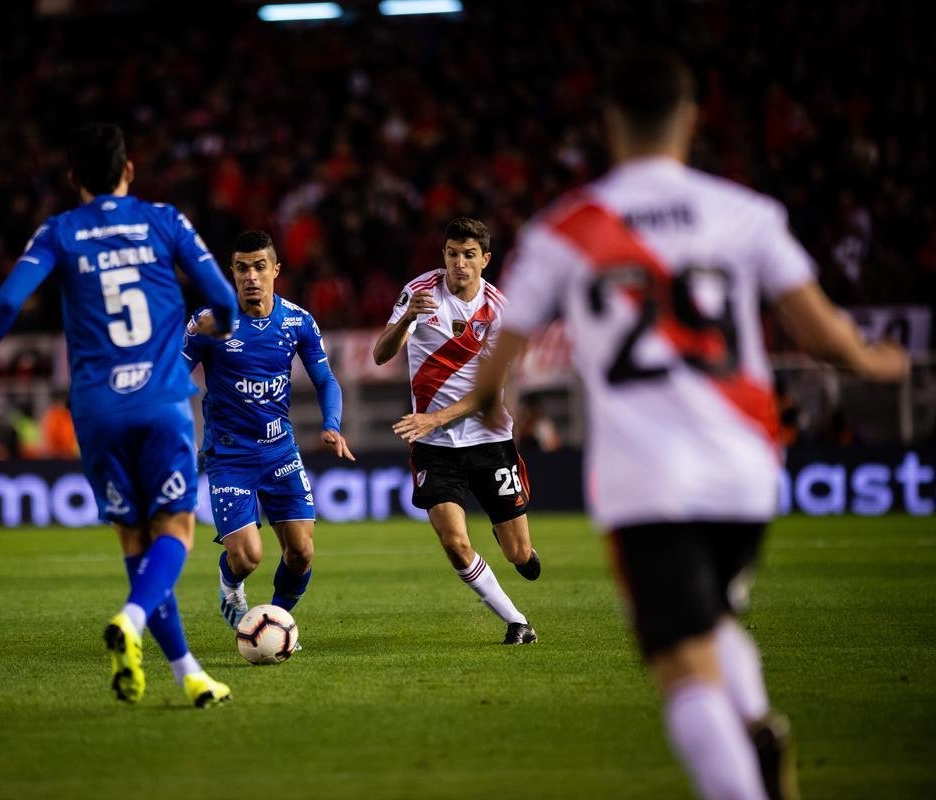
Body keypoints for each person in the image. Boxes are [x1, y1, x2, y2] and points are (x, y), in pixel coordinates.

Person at [471, 50, 909, 800]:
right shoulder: (746, 213)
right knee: (712, 622)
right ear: (692, 120)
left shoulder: (566, 229)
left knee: (680, 668)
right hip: (747, 471)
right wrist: (875, 362)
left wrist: (488, 410)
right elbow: (821, 335)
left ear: (610, 124)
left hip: (650, 481)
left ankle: (741, 766)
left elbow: (494, 369)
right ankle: (756, 725)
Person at [0, 123, 239, 708]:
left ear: (73, 178)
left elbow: (6, 300)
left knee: (133, 537)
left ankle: (187, 673)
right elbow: (222, 301)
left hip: (97, 408)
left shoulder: (59, 231)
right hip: (160, 401)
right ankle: (130, 618)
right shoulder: (164, 220)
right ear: (130, 170)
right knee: (175, 531)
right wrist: (221, 328)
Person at [372, 217, 541, 646]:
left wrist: (433, 416)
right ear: (443, 255)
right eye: (452, 254)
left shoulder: (499, 310)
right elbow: (380, 354)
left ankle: (522, 551)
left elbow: (488, 393)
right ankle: (517, 621)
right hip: (434, 448)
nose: (459, 264)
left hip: (489, 439)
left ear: (485, 259)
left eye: (469, 255)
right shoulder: (420, 292)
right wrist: (406, 317)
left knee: (518, 554)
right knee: (454, 543)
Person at [183, 230, 355, 632]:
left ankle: (275, 623)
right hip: (229, 457)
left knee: (301, 553)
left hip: (280, 452)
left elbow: (326, 380)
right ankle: (230, 585)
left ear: (276, 270)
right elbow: (173, 379)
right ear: (232, 272)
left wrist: (331, 425)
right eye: (242, 268)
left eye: (260, 267)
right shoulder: (208, 324)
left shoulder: (298, 321)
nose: (251, 276)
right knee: (247, 558)